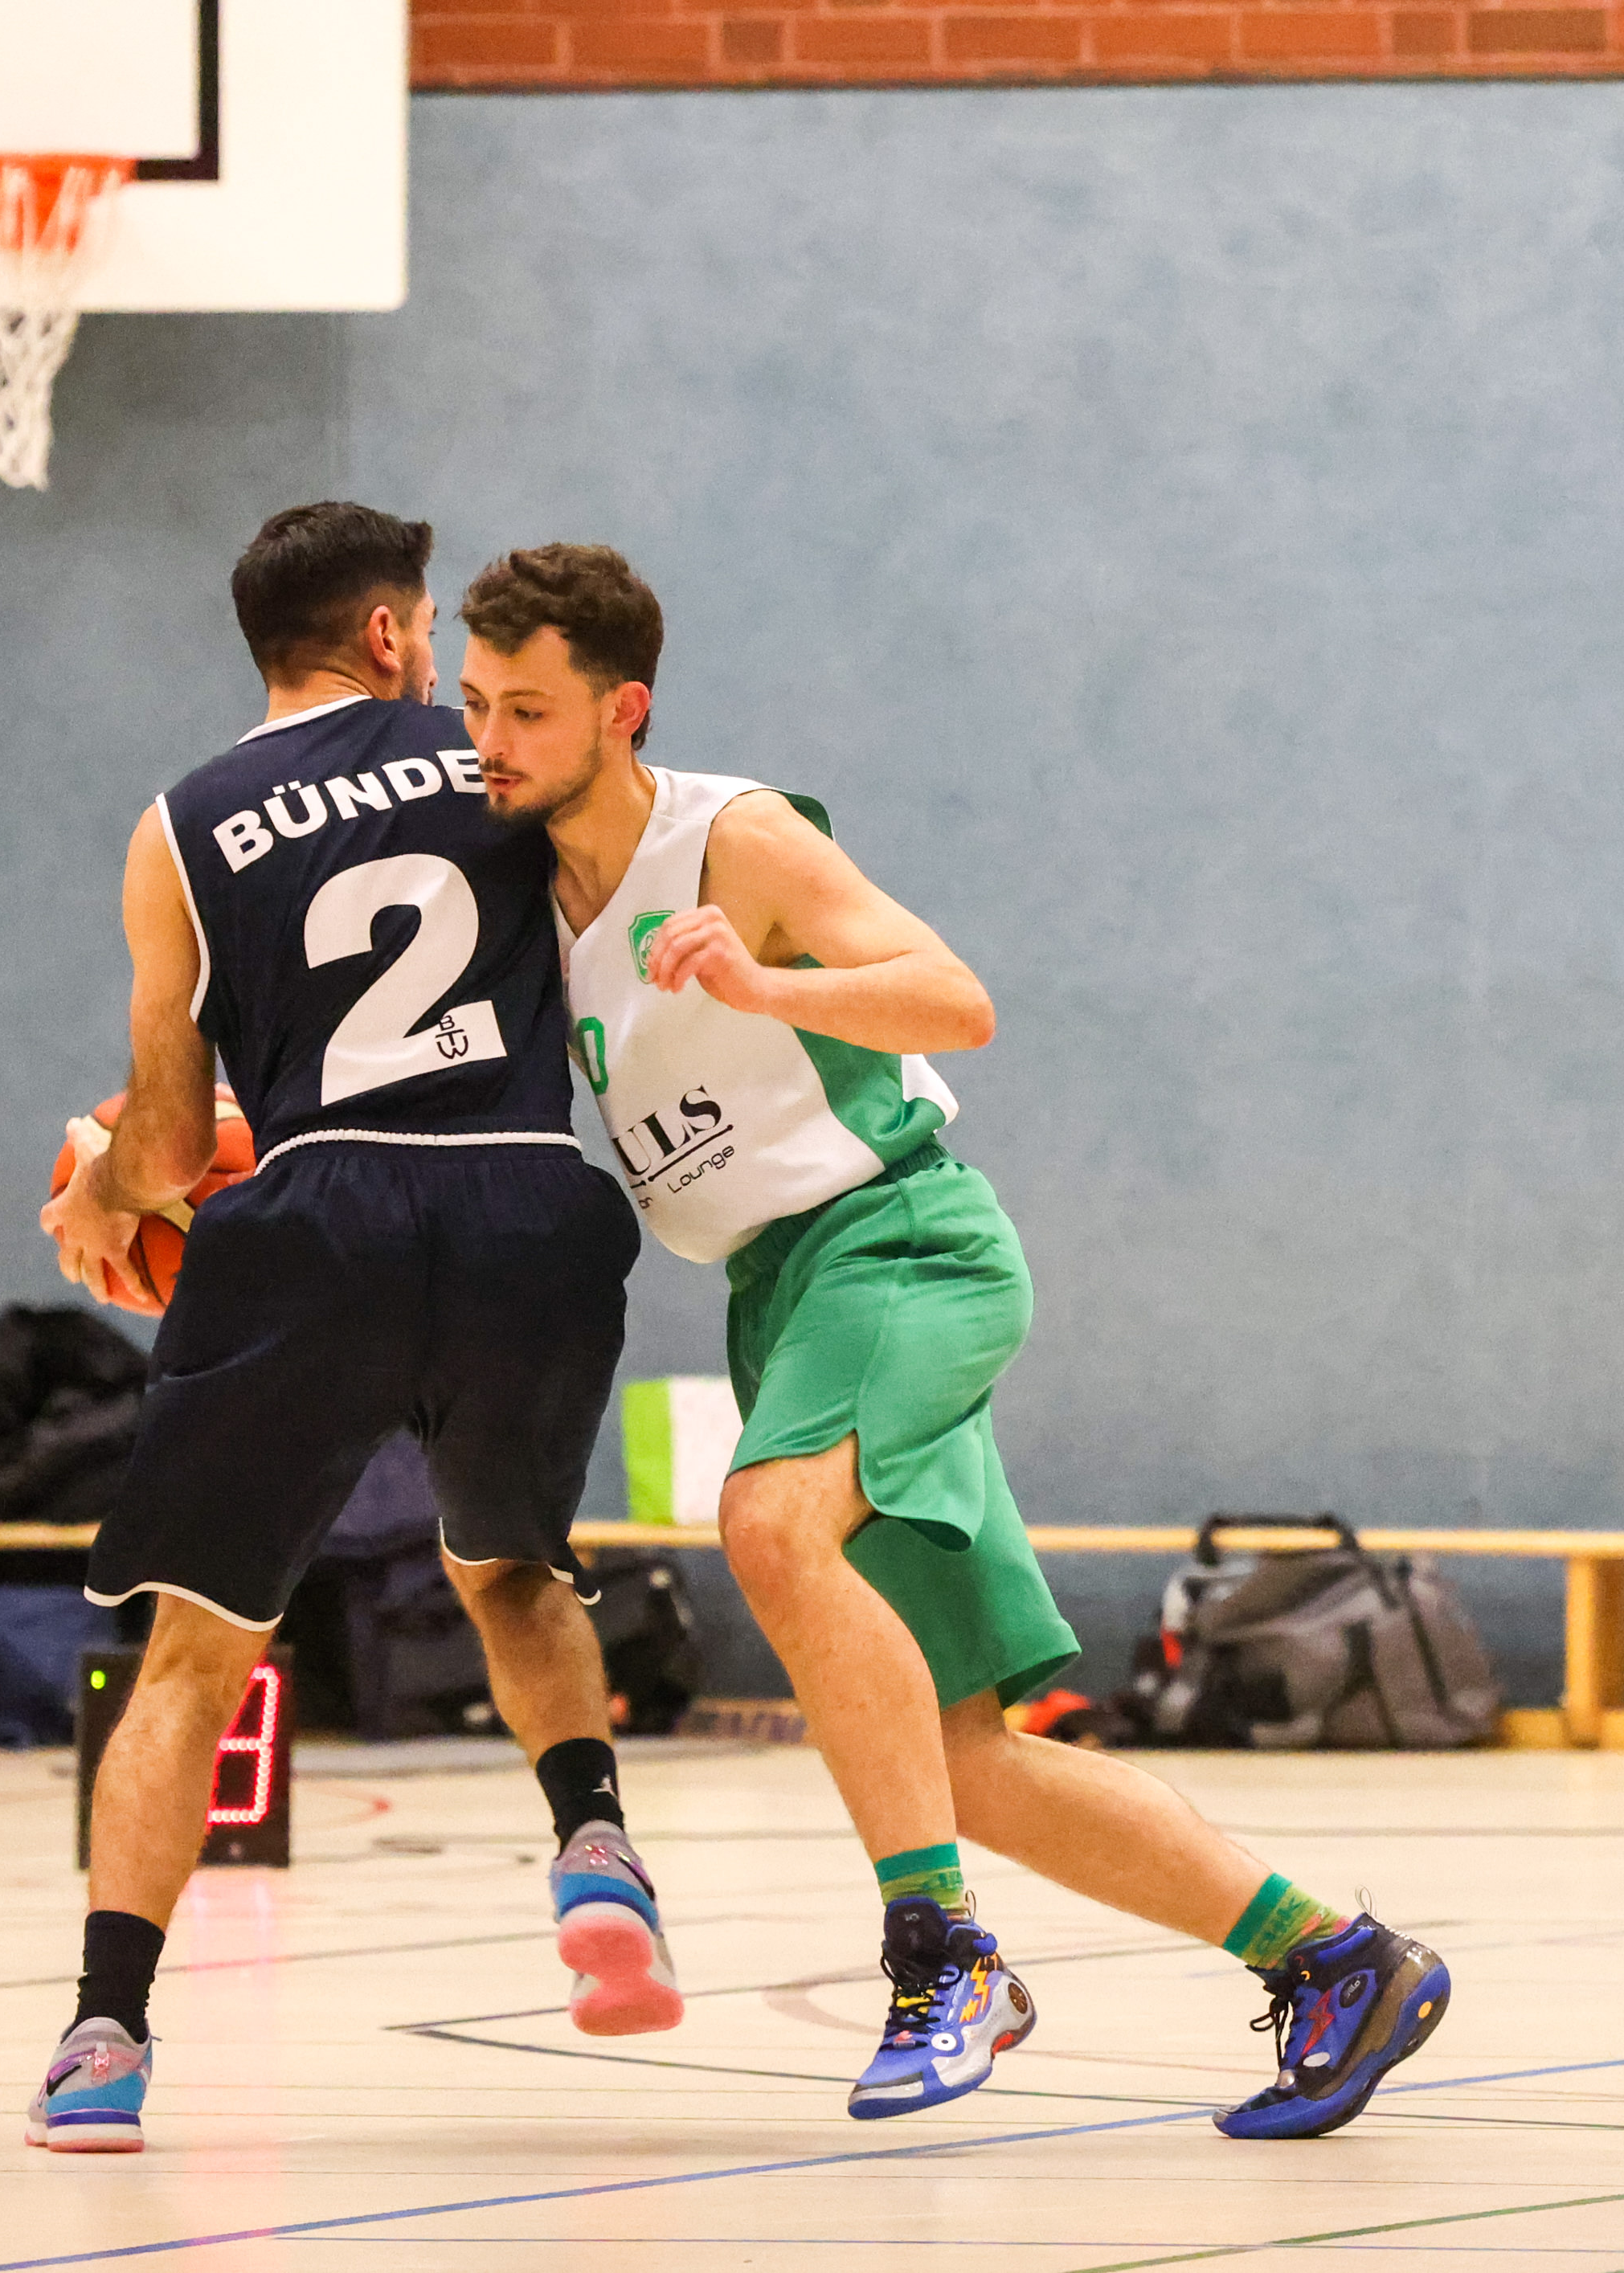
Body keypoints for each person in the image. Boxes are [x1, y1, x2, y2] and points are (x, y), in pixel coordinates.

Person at [456, 541, 1450, 2136]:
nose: (488, 739)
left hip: (900, 1241)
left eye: (525, 709)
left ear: (621, 710)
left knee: (766, 1523)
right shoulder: (511, 885)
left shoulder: (734, 836)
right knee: (964, 1759)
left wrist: (766, 983)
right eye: (472, 702)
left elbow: (955, 997)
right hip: (784, 1293)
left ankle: (942, 1955)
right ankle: (1337, 1959)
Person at [28, 504, 662, 2155]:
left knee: (195, 1651)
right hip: (526, 1200)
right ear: (389, 634)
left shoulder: (176, 826)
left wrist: (101, 1182)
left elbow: (175, 1144)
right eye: (435, 631)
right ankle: (594, 1841)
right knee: (507, 1567)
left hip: (315, 1219)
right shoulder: (508, 760)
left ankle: (105, 2037)